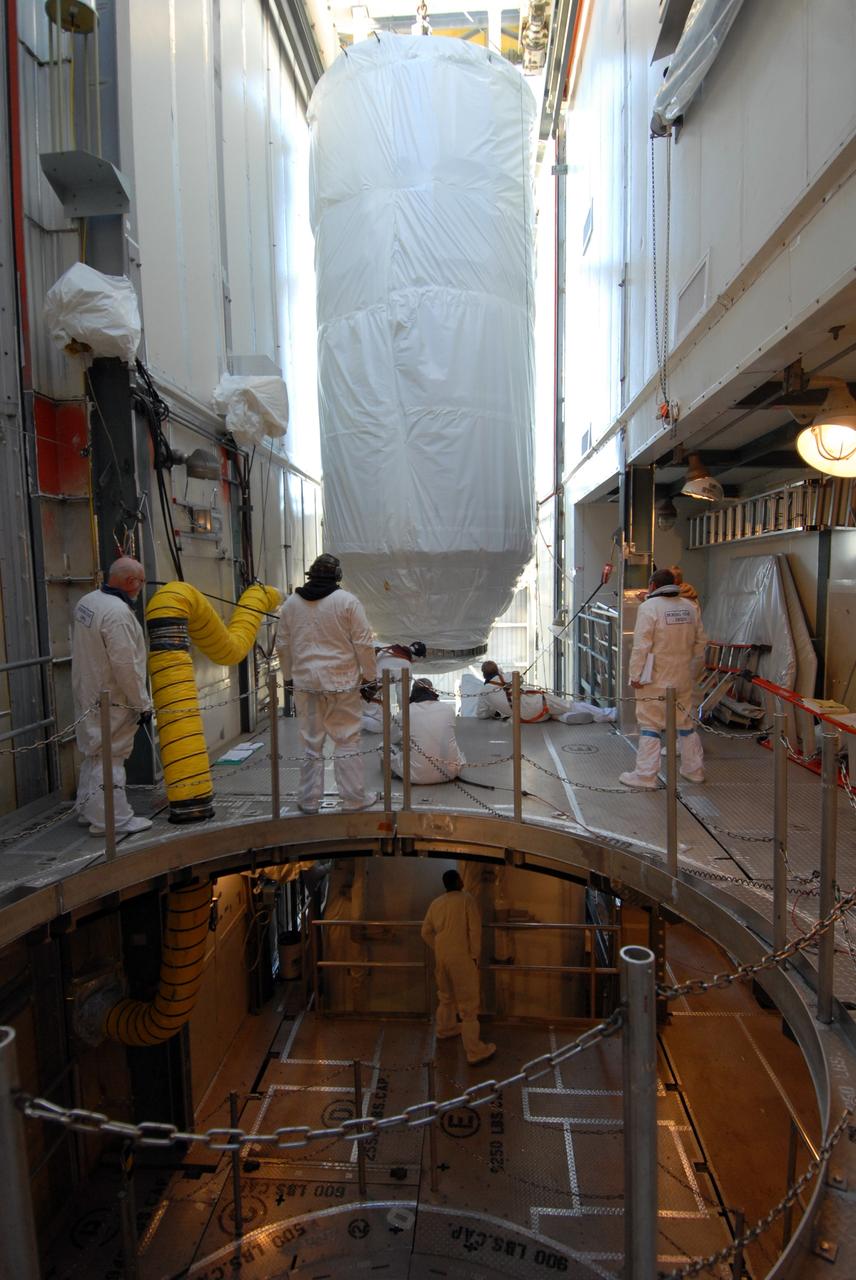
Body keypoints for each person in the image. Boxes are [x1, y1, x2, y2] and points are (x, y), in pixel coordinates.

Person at [275, 553, 378, 813]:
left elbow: (282, 645)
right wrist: (370, 676)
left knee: (311, 744)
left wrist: (288, 677)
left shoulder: (291, 605)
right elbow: (364, 643)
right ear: (337, 576)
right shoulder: (347, 602)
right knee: (346, 740)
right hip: (341, 682)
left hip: (305, 683)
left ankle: (308, 801)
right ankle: (354, 799)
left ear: (311, 575)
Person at [72, 557, 153, 836]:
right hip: (111, 696)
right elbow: (126, 665)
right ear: (131, 582)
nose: (140, 588)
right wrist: (142, 703)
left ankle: (88, 809)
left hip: (88, 689)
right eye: (141, 582)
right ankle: (112, 820)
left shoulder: (88, 602)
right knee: (110, 756)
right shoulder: (117, 613)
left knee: (93, 752)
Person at [620, 567, 707, 788]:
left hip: (655, 677)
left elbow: (642, 646)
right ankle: (694, 769)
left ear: (652, 586)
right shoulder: (690, 607)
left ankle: (645, 775)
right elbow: (700, 642)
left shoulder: (649, 608)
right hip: (683, 675)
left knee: (650, 724)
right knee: (685, 724)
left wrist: (635, 675)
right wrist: (694, 671)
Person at [421, 869, 495, 1065]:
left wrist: (438, 946)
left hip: (442, 957)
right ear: (458, 882)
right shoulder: (466, 900)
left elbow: (425, 931)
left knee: (445, 997)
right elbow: (474, 928)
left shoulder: (436, 903)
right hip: (461, 957)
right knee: (469, 1006)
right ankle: (474, 1050)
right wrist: (474, 956)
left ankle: (444, 1029)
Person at [476, 661, 617, 724]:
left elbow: (481, 714)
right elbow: (520, 678)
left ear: (483, 674)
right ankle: (608, 714)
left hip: (526, 719)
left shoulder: (483, 691)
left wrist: (494, 711)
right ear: (497, 669)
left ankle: (565, 718)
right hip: (540, 703)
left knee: (551, 715)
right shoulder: (507, 676)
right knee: (570, 704)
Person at [391, 678, 465, 783]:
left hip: (416, 776)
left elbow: (392, 739)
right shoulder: (447, 709)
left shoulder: (405, 712)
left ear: (413, 692)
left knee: (382, 747)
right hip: (451, 773)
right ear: (433, 690)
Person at [375, 640, 427, 709]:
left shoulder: (388, 647)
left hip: (359, 682)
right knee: (377, 718)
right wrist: (404, 715)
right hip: (369, 694)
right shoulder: (405, 665)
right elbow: (402, 695)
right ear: (417, 658)